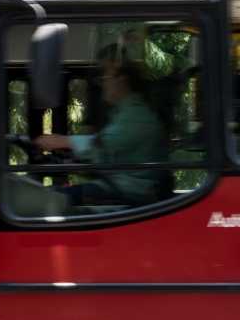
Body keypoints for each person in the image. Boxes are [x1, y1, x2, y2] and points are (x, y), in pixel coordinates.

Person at [34, 47, 167, 206]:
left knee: (48, 202)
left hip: (130, 192)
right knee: (55, 196)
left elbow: (104, 144)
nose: (102, 83)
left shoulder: (137, 115)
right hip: (119, 188)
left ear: (121, 79)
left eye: (105, 77)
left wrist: (61, 141)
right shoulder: (123, 112)